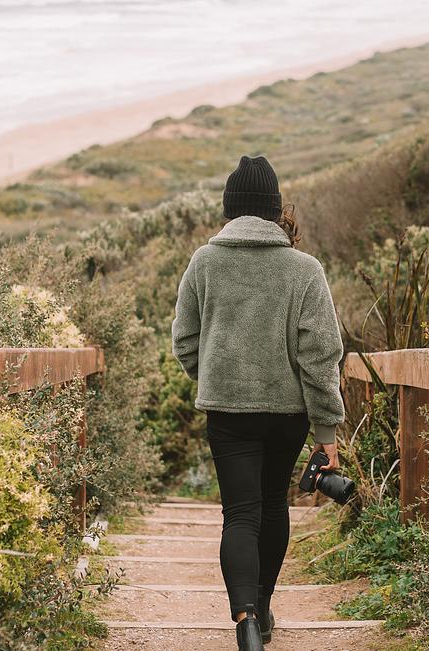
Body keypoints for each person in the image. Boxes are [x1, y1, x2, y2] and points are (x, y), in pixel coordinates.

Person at [171, 155, 345, 650]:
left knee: (240, 514)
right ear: (274, 209)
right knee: (272, 505)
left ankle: (246, 621)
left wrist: (217, 379)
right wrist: (326, 433)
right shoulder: (304, 270)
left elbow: (184, 339)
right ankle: (264, 610)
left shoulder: (204, 262)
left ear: (230, 209)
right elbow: (321, 356)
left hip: (228, 416)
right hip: (287, 416)